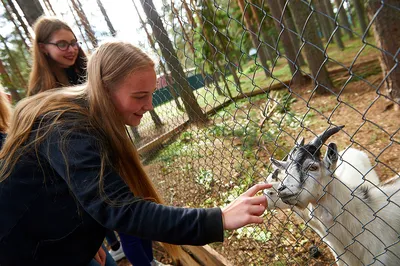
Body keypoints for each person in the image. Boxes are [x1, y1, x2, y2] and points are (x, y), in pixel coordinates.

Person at [0, 40, 271, 265]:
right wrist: (218, 218)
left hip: (55, 242)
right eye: (140, 96)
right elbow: (120, 209)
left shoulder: (90, 117)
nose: (149, 105)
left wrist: (79, 238)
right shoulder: (68, 128)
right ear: (104, 89)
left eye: (151, 94)